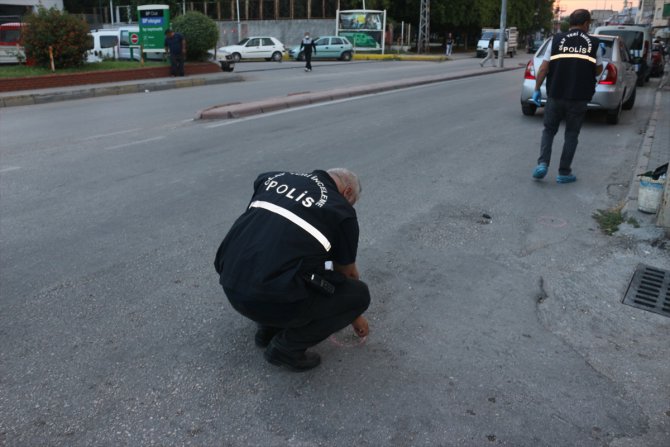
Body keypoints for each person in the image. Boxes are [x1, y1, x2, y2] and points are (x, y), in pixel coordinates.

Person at [214, 169, 371, 372]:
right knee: (358, 295)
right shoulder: (341, 211)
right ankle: (286, 349)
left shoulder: (272, 178)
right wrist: (355, 315)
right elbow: (347, 274)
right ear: (347, 192)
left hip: (230, 282)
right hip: (267, 298)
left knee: (282, 256)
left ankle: (268, 329)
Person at [530, 9, 603, 184]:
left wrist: (537, 88)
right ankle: (564, 172)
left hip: (556, 94)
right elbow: (599, 69)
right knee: (571, 134)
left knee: (549, 130)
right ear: (586, 23)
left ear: (570, 23)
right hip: (579, 97)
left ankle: (542, 164)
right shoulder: (594, 43)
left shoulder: (555, 40)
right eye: (589, 23)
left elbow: (543, 68)